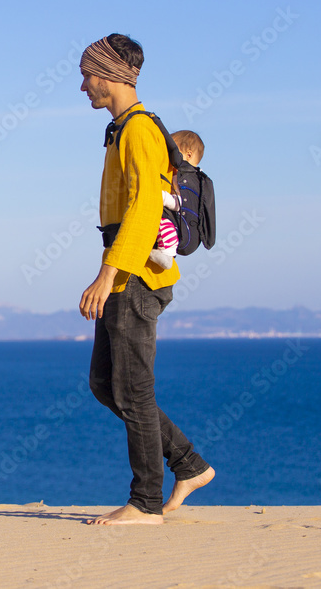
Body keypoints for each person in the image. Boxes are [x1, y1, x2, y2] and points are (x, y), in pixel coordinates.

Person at [78, 34, 214, 525]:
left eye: (87, 73)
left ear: (110, 76)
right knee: (103, 384)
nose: (82, 85)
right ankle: (189, 465)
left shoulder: (138, 130)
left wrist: (106, 273)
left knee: (132, 391)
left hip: (135, 277)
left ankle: (145, 503)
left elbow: (144, 209)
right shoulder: (123, 129)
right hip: (127, 274)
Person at [148, 130, 206, 270]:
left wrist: (160, 196)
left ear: (188, 154)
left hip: (179, 225)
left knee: (164, 224)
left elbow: (180, 203)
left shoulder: (187, 179)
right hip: (178, 221)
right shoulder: (189, 176)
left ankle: (167, 254)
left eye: (174, 151)